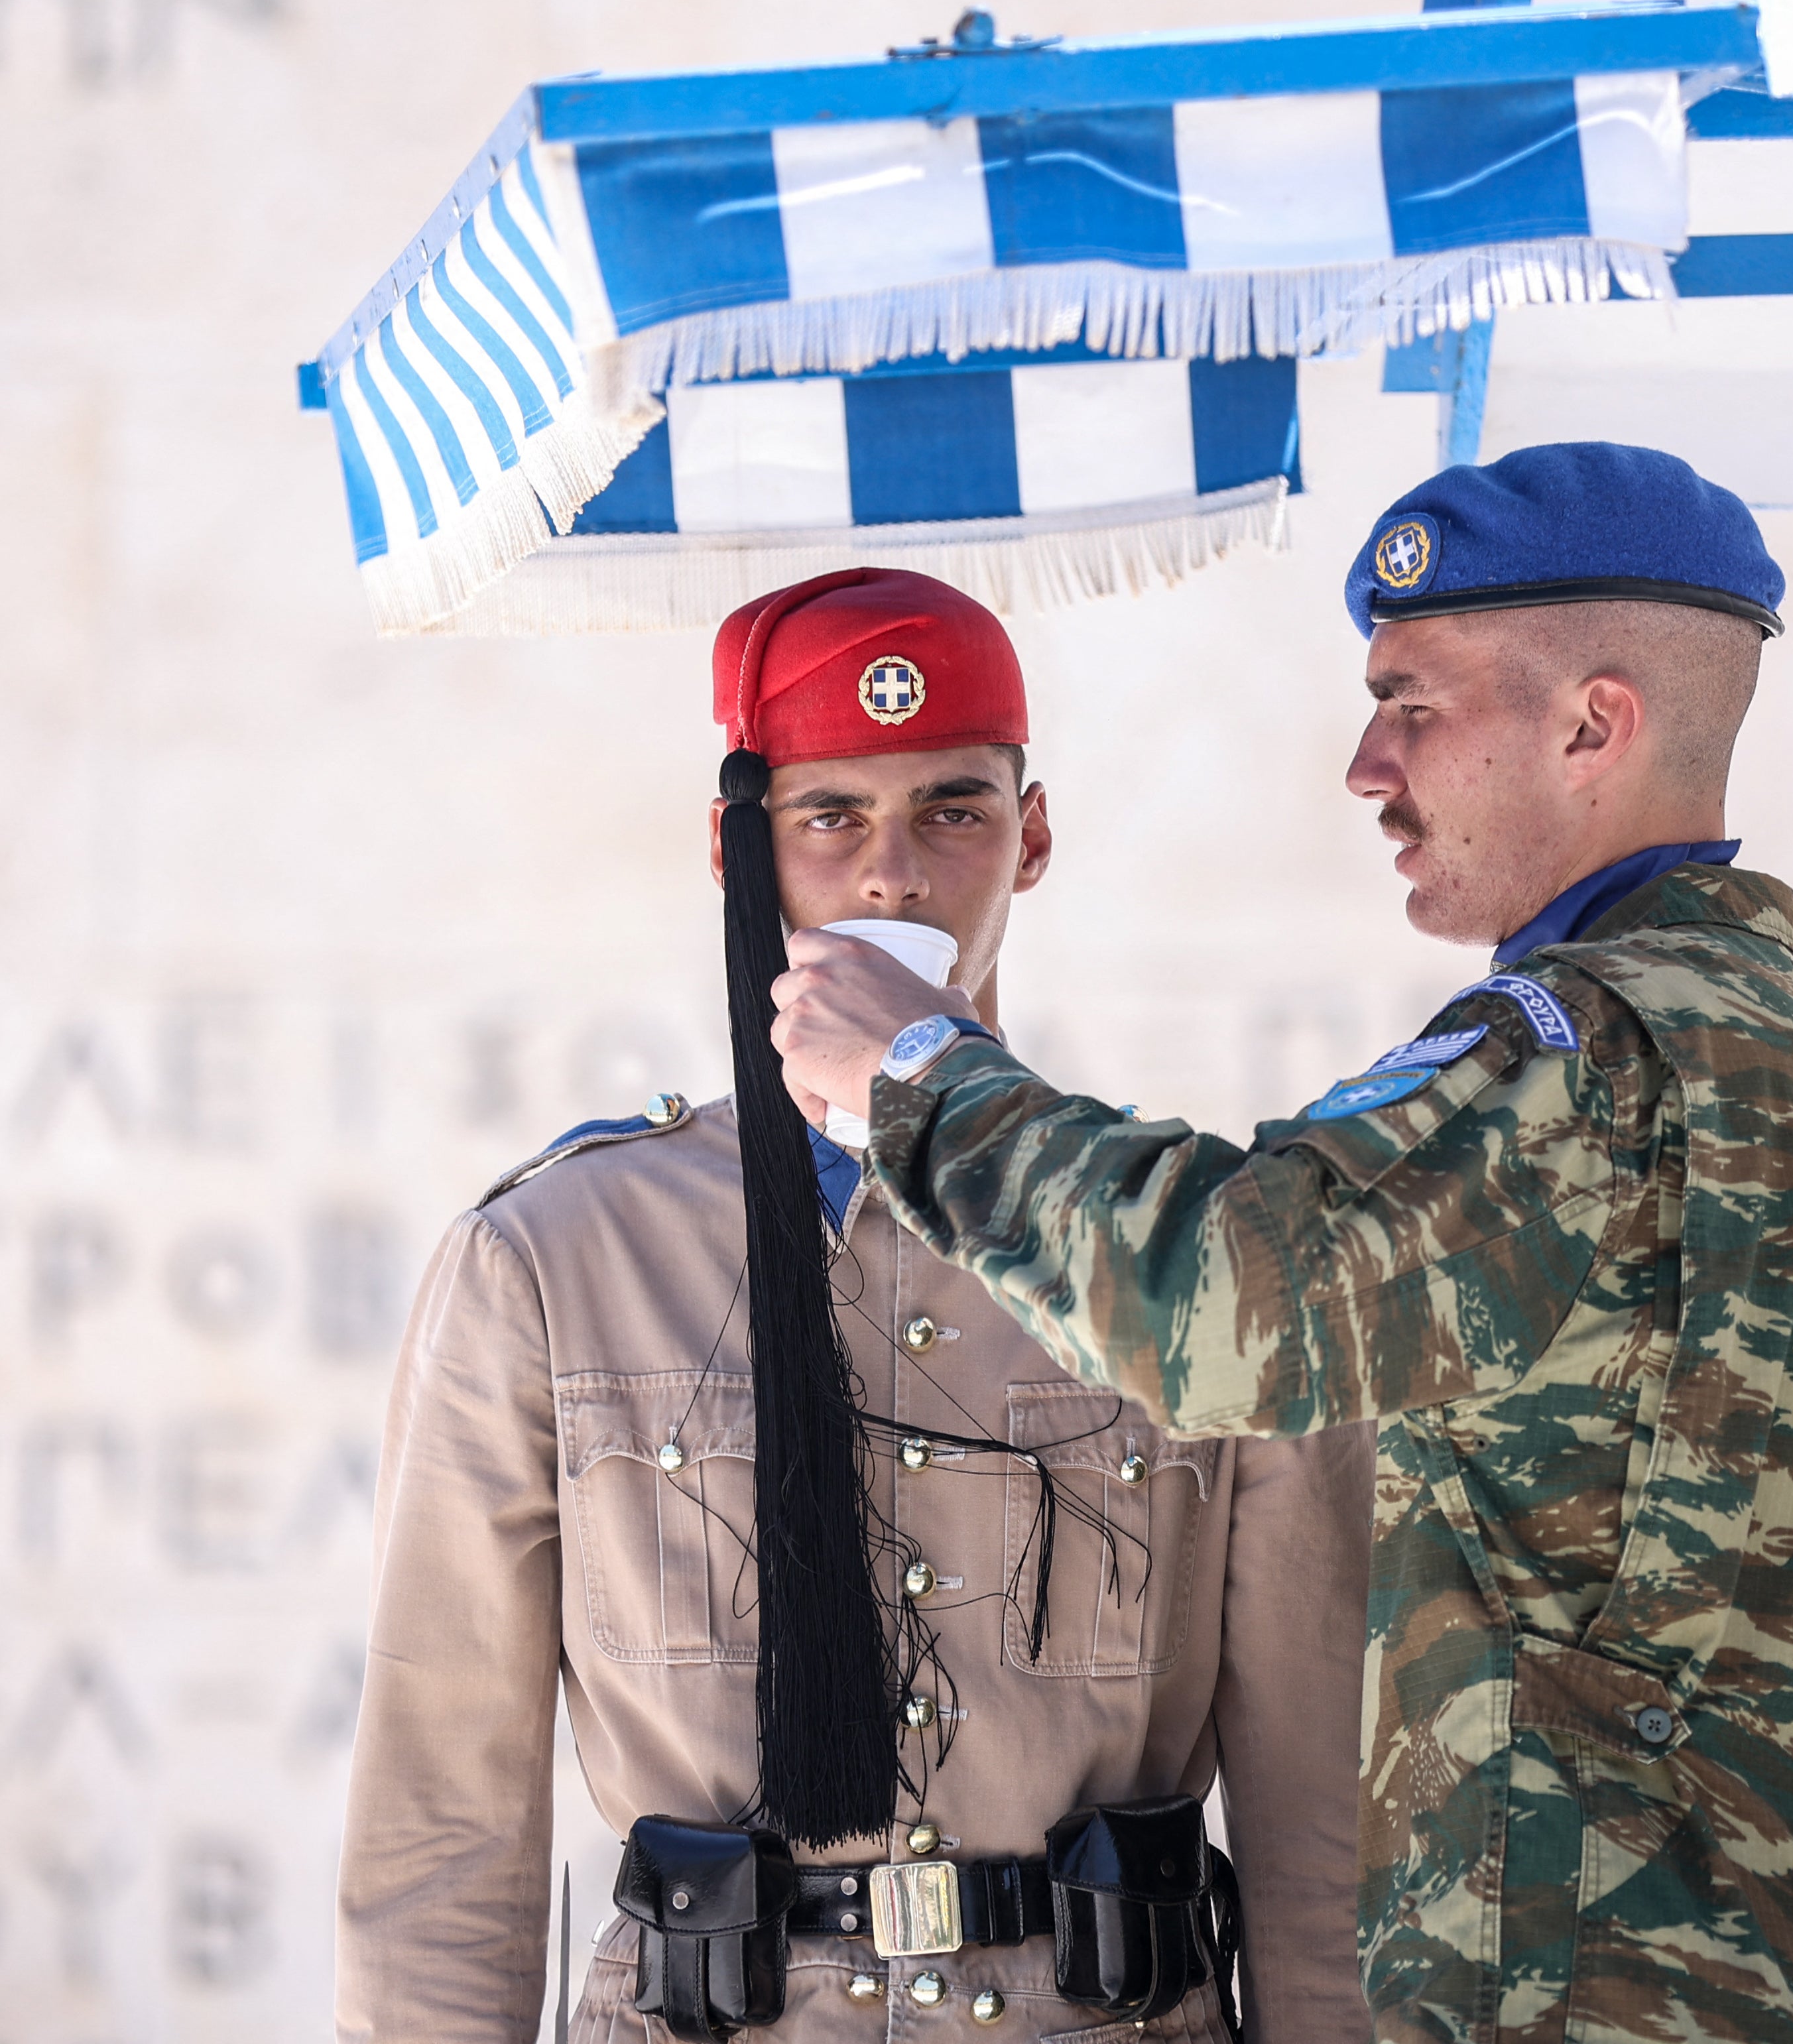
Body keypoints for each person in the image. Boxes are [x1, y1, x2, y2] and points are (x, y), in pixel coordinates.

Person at [769, 447, 1793, 2044]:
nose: (1368, 767)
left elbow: (1229, 1306)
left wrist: (920, 1076)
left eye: (1413, 705)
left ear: (1594, 726)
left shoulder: (1584, 1059)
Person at [340, 567, 1375, 2044]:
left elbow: (1316, 1825)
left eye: (954, 809)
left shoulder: (1194, 1252)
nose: (895, 872)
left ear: (1034, 837)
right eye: (831, 816)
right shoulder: (554, 1264)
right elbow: (437, 1832)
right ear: (735, 850)